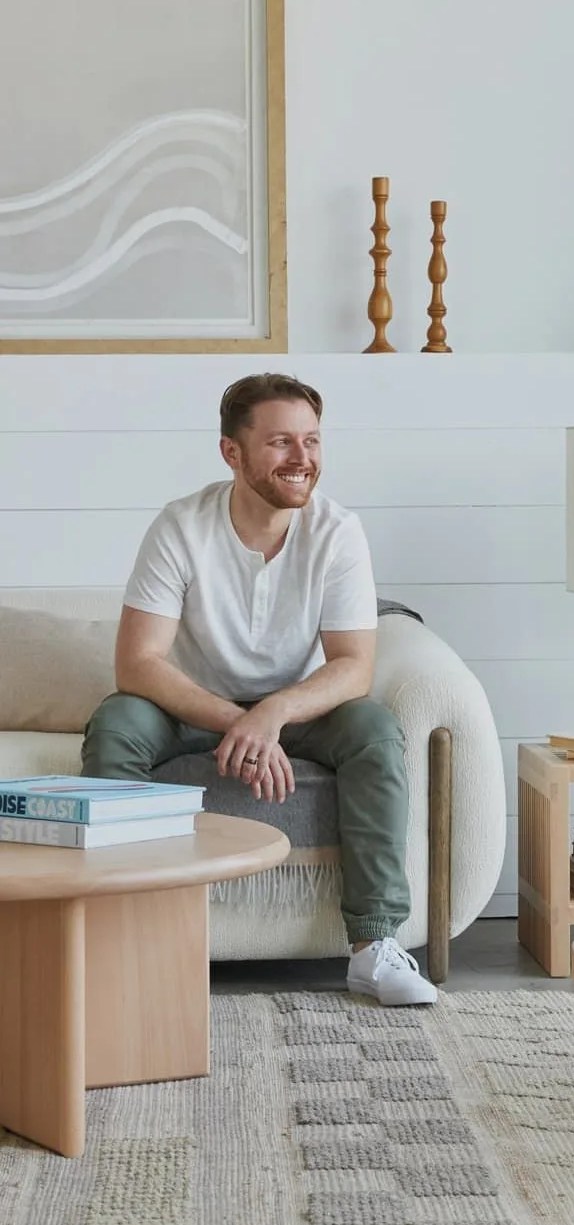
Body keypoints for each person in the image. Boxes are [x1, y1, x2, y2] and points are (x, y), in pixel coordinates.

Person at [81, 372, 436, 1006]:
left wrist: (271, 714)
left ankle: (374, 945)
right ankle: (124, 932)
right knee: (116, 724)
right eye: (281, 443)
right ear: (232, 452)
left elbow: (353, 666)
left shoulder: (338, 532)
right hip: (188, 705)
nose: (303, 460)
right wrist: (234, 719)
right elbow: (138, 664)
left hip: (296, 708)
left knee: (375, 730)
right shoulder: (180, 527)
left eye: (313, 441)